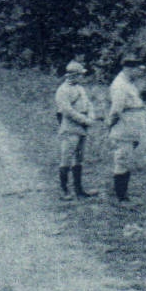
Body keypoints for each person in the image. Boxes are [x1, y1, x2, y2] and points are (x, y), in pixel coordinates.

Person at [106, 58, 146, 203]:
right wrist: (111, 126)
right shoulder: (120, 85)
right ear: (128, 69)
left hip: (132, 126)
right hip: (124, 127)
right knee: (122, 159)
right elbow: (116, 110)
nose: (140, 73)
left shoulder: (129, 83)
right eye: (137, 69)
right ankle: (121, 196)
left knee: (127, 158)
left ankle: (123, 193)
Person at [53, 61, 98, 199]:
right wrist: (84, 120)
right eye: (80, 75)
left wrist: (91, 116)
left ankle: (79, 190)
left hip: (82, 127)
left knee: (79, 158)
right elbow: (67, 111)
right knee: (66, 158)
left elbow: (88, 104)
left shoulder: (80, 88)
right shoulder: (62, 90)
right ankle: (64, 191)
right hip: (70, 127)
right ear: (73, 75)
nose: (82, 77)